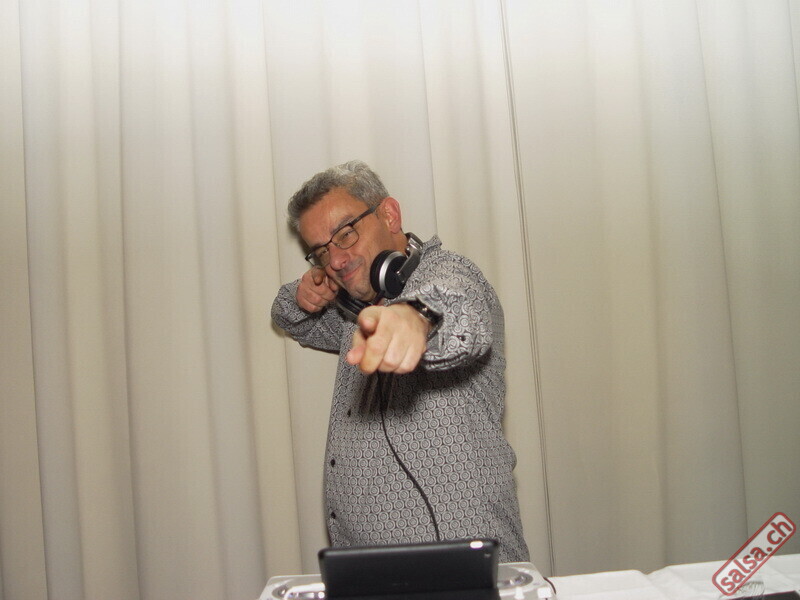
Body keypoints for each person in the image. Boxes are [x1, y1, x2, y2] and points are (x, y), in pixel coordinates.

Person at [271, 160, 529, 563]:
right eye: (320, 252)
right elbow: (289, 317)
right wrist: (305, 290)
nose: (336, 260)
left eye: (345, 234)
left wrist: (415, 318)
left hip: (459, 560)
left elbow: (458, 308)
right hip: (369, 564)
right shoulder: (355, 309)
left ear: (389, 214)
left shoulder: (450, 271)